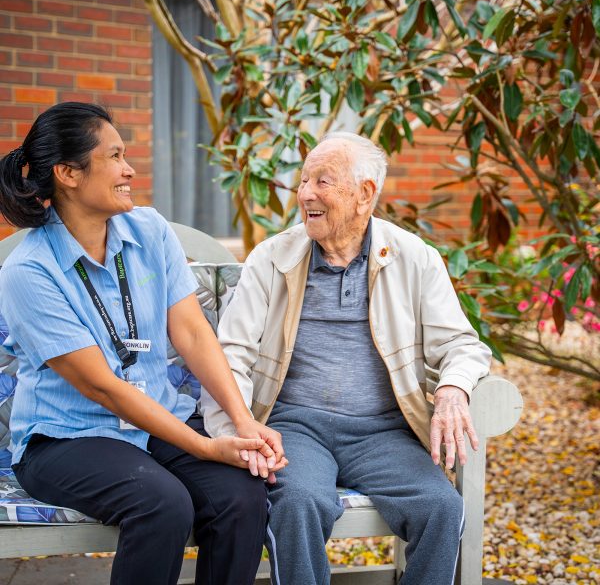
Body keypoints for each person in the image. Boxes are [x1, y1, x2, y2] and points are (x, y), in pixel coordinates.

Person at [0, 102, 286, 585]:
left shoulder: (148, 230)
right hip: (67, 438)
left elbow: (193, 333)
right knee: (161, 503)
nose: (129, 169)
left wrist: (242, 424)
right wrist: (204, 446)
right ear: (68, 173)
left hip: (158, 419)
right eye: (114, 157)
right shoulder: (29, 271)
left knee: (241, 496)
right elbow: (104, 389)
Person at [201, 132, 492, 585]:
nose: (305, 194)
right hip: (295, 427)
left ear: (364, 195)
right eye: (303, 182)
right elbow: (232, 352)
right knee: (299, 504)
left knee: (441, 507)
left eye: (322, 181)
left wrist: (454, 387)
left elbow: (462, 344)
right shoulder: (272, 258)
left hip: (383, 431)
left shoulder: (415, 258)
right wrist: (237, 428)